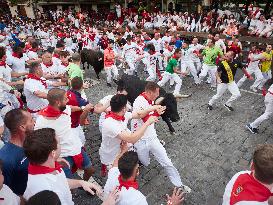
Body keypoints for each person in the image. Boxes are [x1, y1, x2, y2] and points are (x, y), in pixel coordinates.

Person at [131, 82, 191, 191]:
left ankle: (179, 185)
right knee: (145, 162)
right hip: (140, 139)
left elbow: (152, 116)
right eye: (156, 93)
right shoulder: (138, 101)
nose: (157, 95)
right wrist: (156, 112)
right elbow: (146, 119)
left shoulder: (151, 100)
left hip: (152, 138)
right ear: (149, 92)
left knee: (167, 162)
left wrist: (157, 112)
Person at [23, 128, 102, 204]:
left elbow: (61, 182)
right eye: (59, 143)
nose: (60, 145)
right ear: (53, 153)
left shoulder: (44, 165)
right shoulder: (47, 192)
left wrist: (80, 182)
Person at [34, 88, 95, 180]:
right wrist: (54, 158)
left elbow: (70, 108)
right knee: (68, 184)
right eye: (66, 99)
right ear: (58, 103)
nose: (68, 100)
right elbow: (39, 143)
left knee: (90, 170)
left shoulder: (64, 108)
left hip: (75, 147)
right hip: (62, 155)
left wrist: (82, 108)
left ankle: (84, 184)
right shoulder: (41, 122)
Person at [99, 94, 164, 173]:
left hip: (122, 149)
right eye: (127, 105)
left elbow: (139, 114)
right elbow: (132, 139)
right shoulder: (110, 124)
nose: (128, 106)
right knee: (117, 176)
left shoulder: (122, 114)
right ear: (123, 109)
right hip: (112, 157)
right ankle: (105, 169)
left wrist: (153, 109)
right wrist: (147, 123)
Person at [104, 145, 185, 205]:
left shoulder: (113, 174)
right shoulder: (138, 199)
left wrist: (123, 150)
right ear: (137, 171)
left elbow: (115, 164)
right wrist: (171, 203)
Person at [0, 109, 34, 196]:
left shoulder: (32, 142)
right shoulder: (6, 159)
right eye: (31, 120)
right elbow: (5, 193)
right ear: (22, 127)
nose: (34, 122)